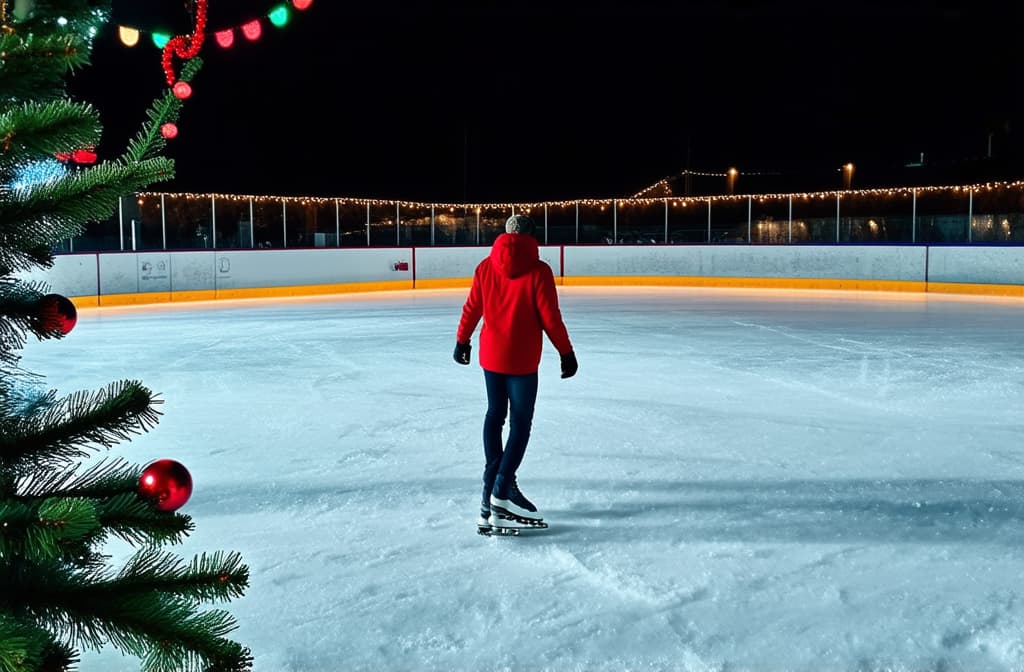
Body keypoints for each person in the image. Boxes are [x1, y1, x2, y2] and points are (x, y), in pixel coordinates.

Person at [454, 214, 578, 535]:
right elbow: (550, 317)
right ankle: (501, 490)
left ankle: (488, 497)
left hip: (491, 357)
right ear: (533, 237)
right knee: (520, 423)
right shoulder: (539, 270)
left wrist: (462, 340)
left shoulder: (485, 266)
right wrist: (566, 352)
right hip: (522, 362)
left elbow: (472, 307)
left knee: (495, 416)